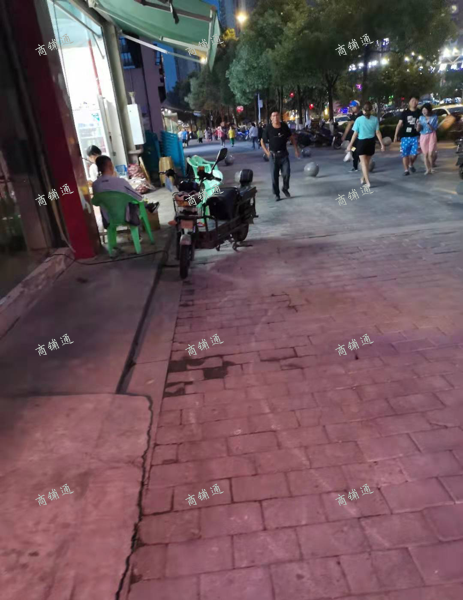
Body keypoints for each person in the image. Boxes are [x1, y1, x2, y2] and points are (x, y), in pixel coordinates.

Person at [261, 111, 301, 202]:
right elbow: (262, 141)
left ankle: (285, 188)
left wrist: (296, 150)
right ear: (271, 118)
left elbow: (291, 138)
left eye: (277, 115)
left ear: (279, 117)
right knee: (274, 176)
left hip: (284, 155)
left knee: (287, 173)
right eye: (273, 116)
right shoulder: (268, 128)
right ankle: (276, 194)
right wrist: (267, 152)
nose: (275, 117)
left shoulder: (284, 126)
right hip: (273, 156)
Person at [346, 101, 385, 189]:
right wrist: (382, 144)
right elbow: (378, 132)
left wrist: (350, 145)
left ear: (363, 110)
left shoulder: (358, 120)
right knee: (366, 163)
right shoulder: (375, 119)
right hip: (371, 143)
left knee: (363, 163)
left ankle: (368, 182)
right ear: (371, 110)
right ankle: (363, 178)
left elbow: (355, 134)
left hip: (362, 143)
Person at [394, 95, 421, 176]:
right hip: (405, 136)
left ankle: (411, 164)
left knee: (415, 153)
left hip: (416, 136)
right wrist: (395, 135)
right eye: (412, 100)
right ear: (409, 102)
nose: (414, 102)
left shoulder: (419, 112)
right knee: (405, 154)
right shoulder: (405, 113)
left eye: (415, 100)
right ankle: (406, 170)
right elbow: (399, 124)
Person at [416, 103, 438, 175]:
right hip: (423, 136)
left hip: (431, 135)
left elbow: (434, 129)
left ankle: (432, 168)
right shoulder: (421, 118)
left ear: (429, 110)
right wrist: (418, 125)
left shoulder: (434, 117)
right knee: (425, 154)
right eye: (423, 110)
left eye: (425, 110)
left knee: (430, 154)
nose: (424, 112)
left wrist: (428, 123)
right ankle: (427, 169)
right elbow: (418, 130)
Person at [341, 101, 363, 172]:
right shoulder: (352, 116)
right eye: (351, 107)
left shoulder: (361, 115)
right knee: (354, 150)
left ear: (357, 106)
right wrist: (344, 135)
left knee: (360, 151)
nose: (352, 108)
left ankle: (362, 165)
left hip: (361, 137)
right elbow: (349, 125)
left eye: (353, 107)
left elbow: (350, 124)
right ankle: (355, 166)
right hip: (353, 137)